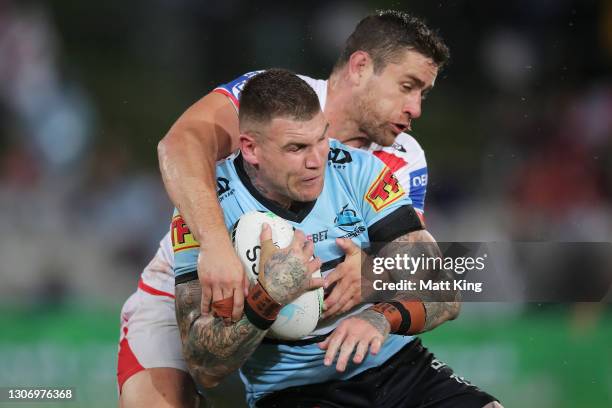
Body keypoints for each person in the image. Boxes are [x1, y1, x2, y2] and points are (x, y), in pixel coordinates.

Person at [119, 10, 448, 407]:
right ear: (361, 66)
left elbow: (420, 273)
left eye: (423, 94)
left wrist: (375, 274)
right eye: (407, 86)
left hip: (296, 336)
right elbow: (179, 145)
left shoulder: (405, 159)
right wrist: (216, 246)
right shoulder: (269, 97)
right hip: (196, 284)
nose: (416, 108)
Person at [172, 68, 500, 408]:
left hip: (399, 367)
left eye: (321, 139)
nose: (316, 161)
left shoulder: (360, 171)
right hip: (295, 391)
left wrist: (380, 316)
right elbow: (205, 366)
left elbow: (443, 290)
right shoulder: (208, 211)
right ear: (252, 149)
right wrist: (269, 297)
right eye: (297, 148)